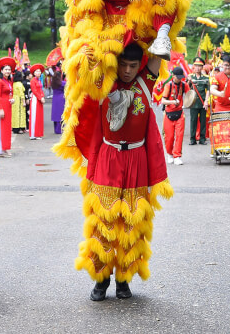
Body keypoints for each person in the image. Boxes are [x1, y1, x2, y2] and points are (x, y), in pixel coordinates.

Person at [74, 42, 171, 301]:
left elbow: (160, 50)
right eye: (123, 65)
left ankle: (123, 280)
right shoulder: (104, 83)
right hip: (108, 157)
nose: (127, 71)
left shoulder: (145, 83)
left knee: (131, 221)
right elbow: (86, 64)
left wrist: (162, 28)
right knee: (104, 221)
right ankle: (101, 279)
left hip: (137, 158)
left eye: (132, 66)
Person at [161, 66, 190, 165]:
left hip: (180, 113)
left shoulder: (184, 85)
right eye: (177, 77)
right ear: (173, 75)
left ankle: (177, 155)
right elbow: (163, 101)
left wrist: (191, 83)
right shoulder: (168, 85)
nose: (179, 78)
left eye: (181, 77)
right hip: (168, 113)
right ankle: (169, 154)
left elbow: (190, 95)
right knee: (169, 137)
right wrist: (173, 101)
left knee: (179, 136)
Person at [0, 57, 15, 157]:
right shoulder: (0, 82)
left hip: (8, 106)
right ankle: (2, 149)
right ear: (2, 71)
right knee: (2, 128)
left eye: (9, 69)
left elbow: (10, 93)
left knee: (7, 128)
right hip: (2, 106)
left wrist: (12, 99)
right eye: (6, 69)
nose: (8, 71)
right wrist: (0, 109)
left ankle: (6, 147)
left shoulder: (9, 81)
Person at [187, 57, 210, 145]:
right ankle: (192, 139)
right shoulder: (190, 77)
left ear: (202, 67)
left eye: (200, 66)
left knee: (203, 121)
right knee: (193, 120)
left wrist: (206, 101)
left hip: (202, 102)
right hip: (193, 103)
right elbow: (187, 89)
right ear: (193, 66)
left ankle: (202, 139)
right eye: (196, 66)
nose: (198, 68)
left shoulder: (205, 78)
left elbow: (208, 90)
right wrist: (189, 81)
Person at [28, 64, 46, 140]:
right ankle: (33, 134)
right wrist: (40, 98)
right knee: (34, 116)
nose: (38, 72)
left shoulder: (39, 80)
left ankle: (38, 133)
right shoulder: (33, 80)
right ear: (34, 73)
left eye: (39, 71)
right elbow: (34, 91)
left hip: (39, 99)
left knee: (39, 116)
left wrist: (42, 96)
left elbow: (41, 89)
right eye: (37, 71)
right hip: (35, 99)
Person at [51, 66, 65, 135]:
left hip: (55, 99)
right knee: (60, 114)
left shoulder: (53, 83)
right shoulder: (62, 83)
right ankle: (60, 129)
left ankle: (56, 129)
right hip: (61, 99)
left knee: (55, 114)